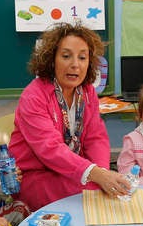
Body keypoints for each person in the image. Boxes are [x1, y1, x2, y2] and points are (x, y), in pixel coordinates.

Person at [9, 22, 131, 210]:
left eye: (82, 57)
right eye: (66, 56)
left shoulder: (87, 91)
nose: (75, 64)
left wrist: (102, 172)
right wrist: (95, 174)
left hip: (72, 171)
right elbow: (50, 149)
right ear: (52, 59)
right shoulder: (33, 96)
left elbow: (95, 137)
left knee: (103, 186)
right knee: (94, 189)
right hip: (36, 175)